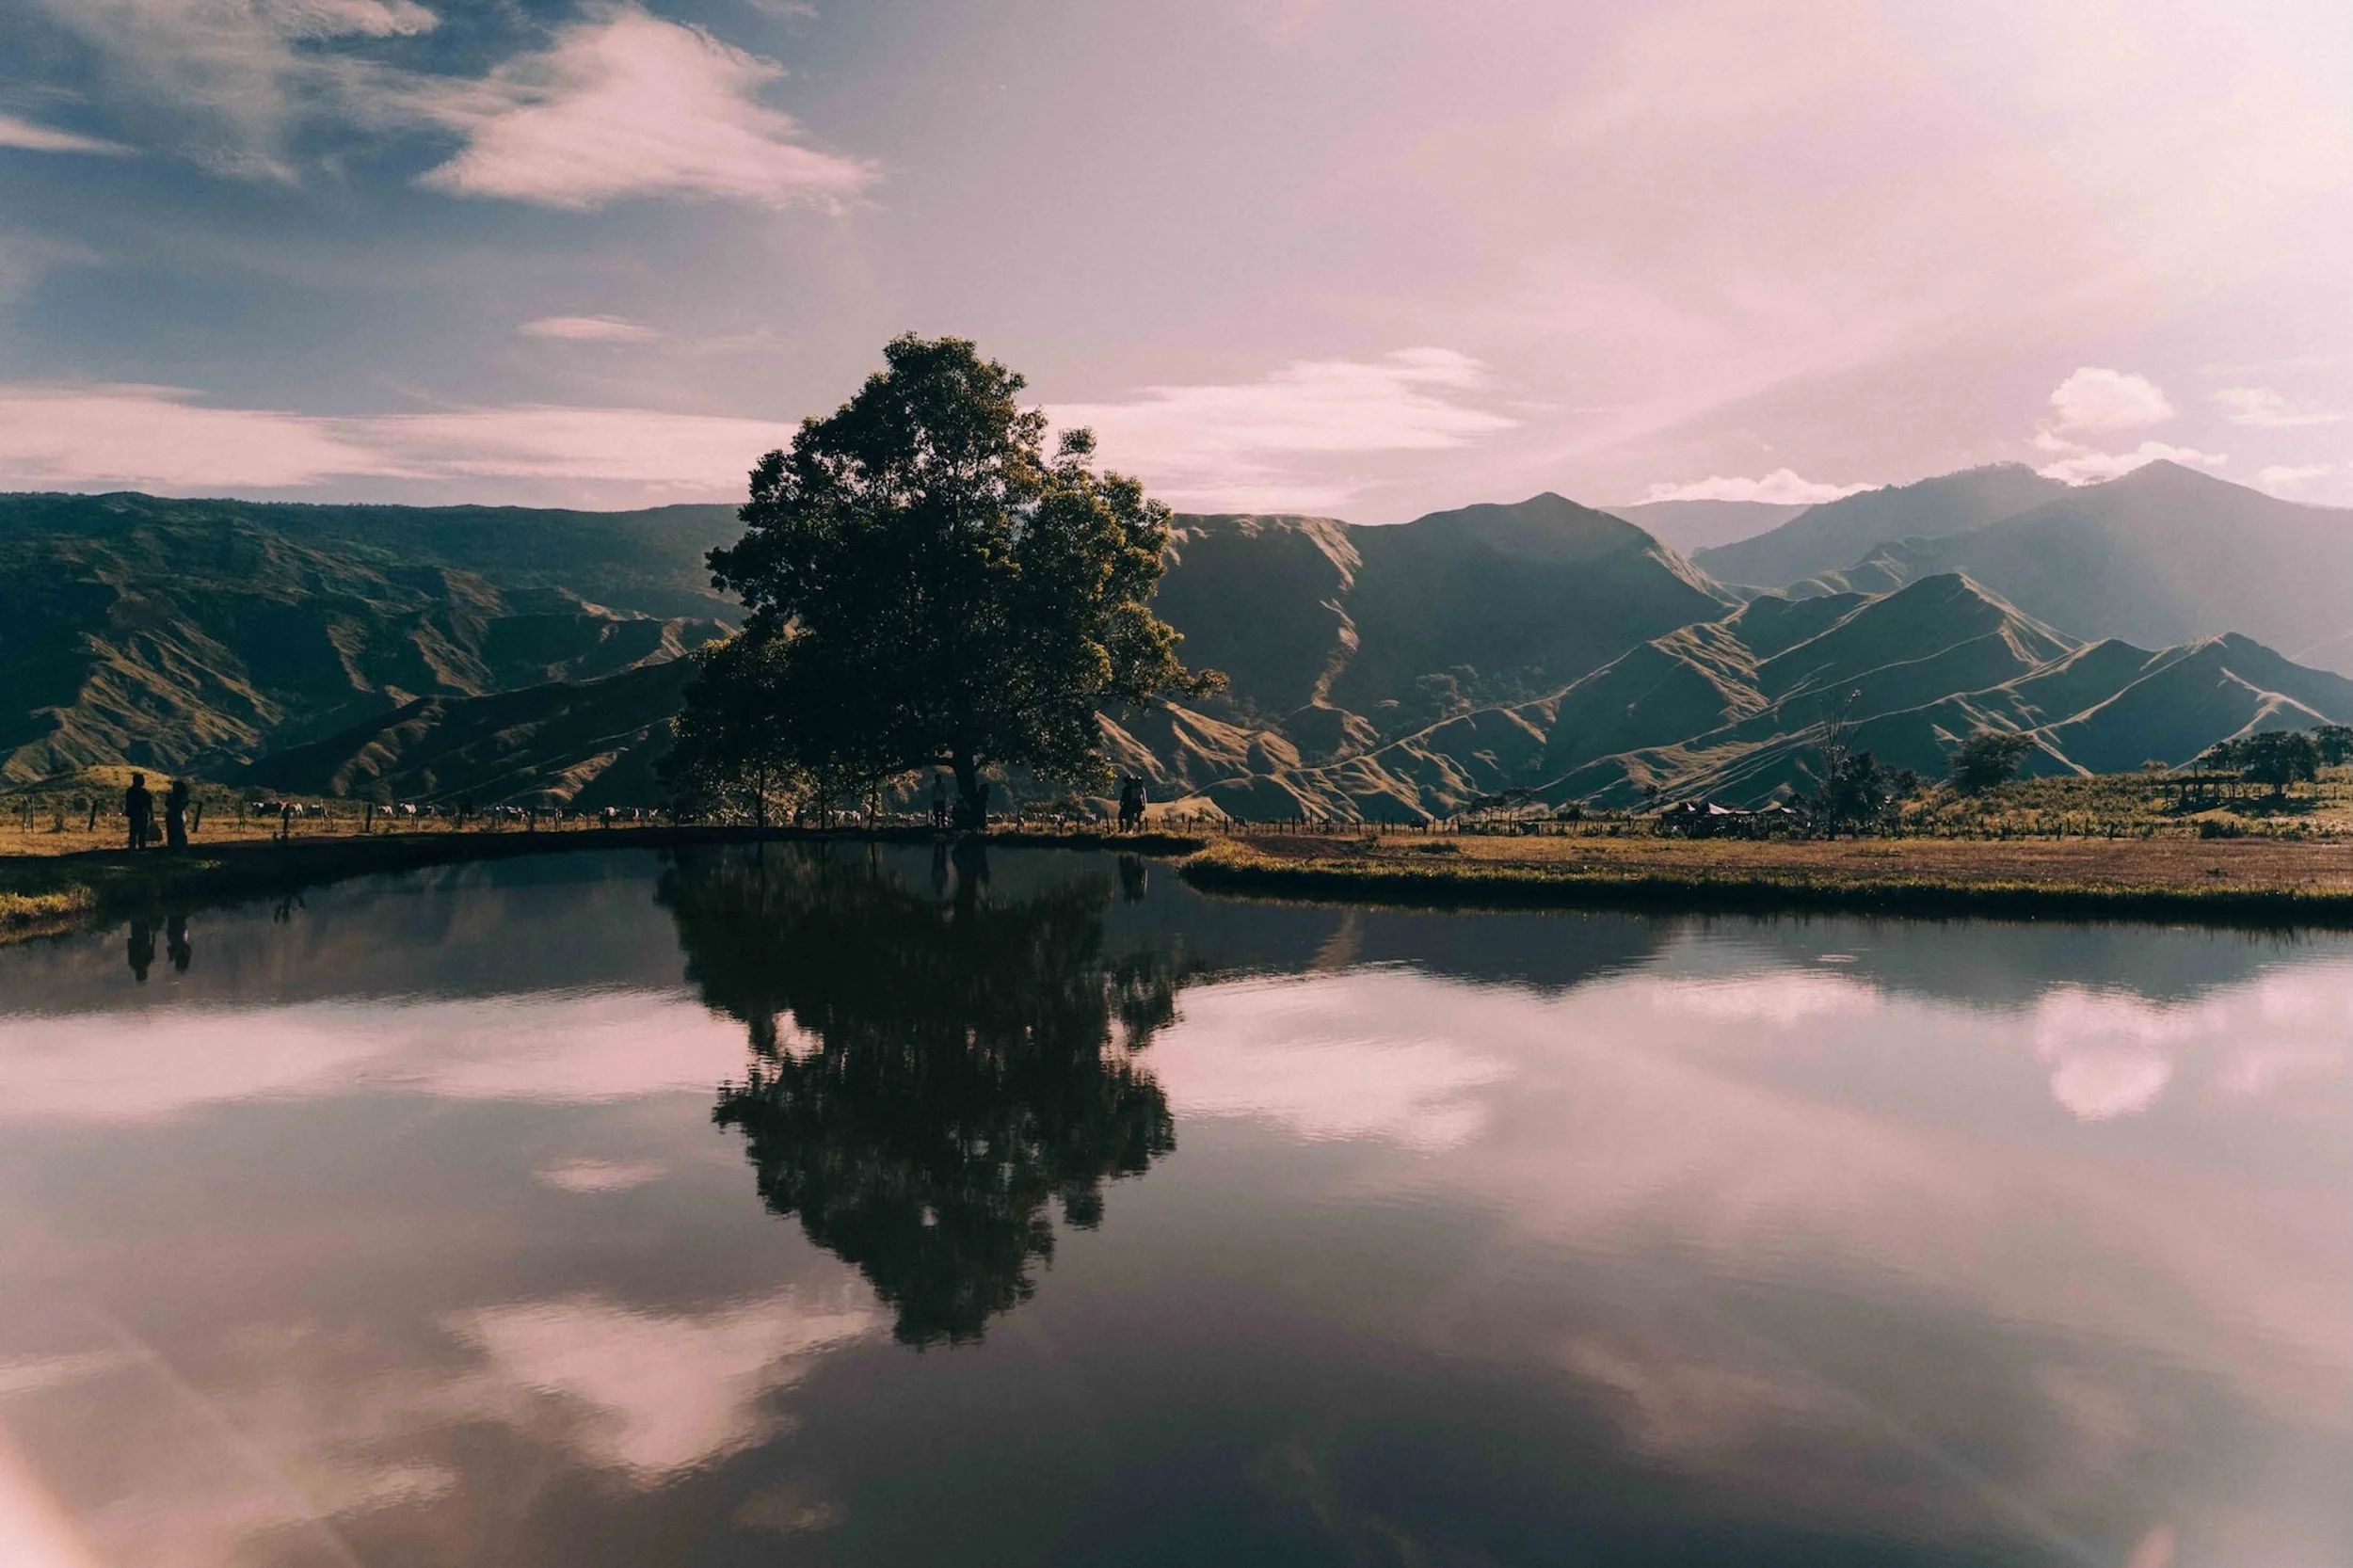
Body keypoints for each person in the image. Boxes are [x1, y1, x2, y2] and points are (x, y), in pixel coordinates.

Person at [122, 773, 153, 851]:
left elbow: (128, 802)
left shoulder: (130, 791)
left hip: (135, 814)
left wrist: (128, 811)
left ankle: (133, 848)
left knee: (134, 832)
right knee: (141, 832)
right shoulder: (144, 792)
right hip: (141, 814)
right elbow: (149, 804)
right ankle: (141, 848)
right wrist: (151, 814)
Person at [164, 777, 190, 850]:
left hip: (173, 815)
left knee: (173, 833)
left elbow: (167, 804)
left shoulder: (174, 796)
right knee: (178, 832)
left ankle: (174, 847)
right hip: (176, 815)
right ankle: (179, 847)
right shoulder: (181, 797)